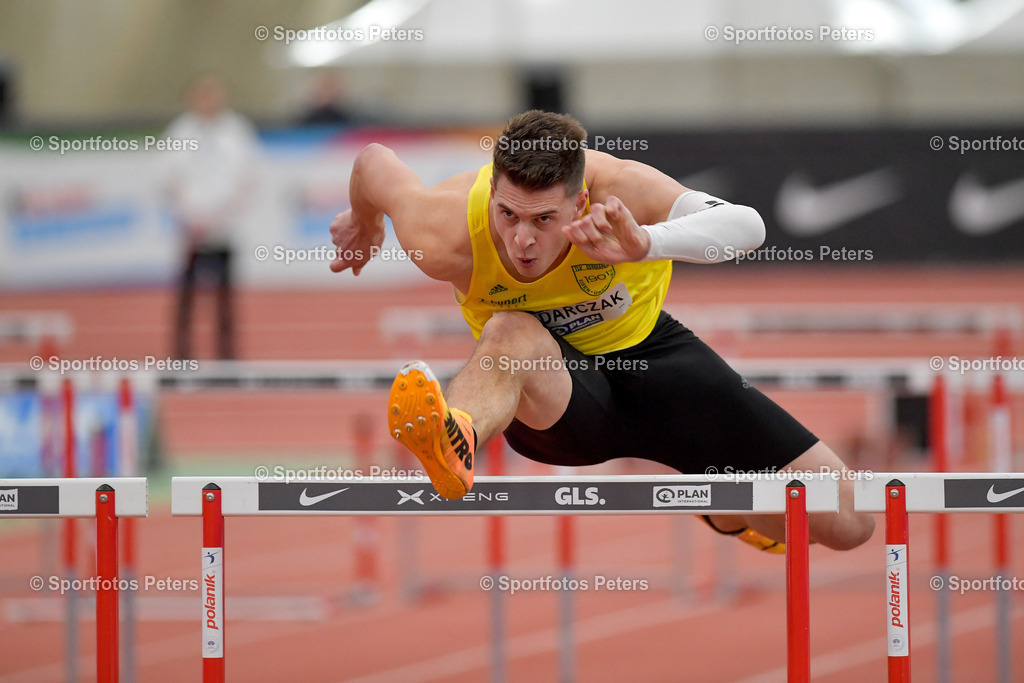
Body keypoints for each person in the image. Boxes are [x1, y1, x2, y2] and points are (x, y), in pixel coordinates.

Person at [328, 111, 874, 552]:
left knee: (849, 521)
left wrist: (647, 243)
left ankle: (724, 510)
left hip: (658, 365)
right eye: (509, 215)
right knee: (509, 329)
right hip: (560, 401)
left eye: (544, 220)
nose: (522, 240)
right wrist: (365, 220)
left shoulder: (622, 191)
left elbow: (747, 226)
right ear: (491, 191)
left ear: (581, 201)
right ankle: (456, 435)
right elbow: (373, 163)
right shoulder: (443, 231)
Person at [165, 74, 258, 360]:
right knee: (187, 296)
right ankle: (181, 356)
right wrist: (190, 216)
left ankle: (226, 357)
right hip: (191, 229)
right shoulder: (180, 132)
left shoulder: (236, 131)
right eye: (202, 94)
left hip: (225, 227)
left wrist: (222, 215)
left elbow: (248, 177)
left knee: (224, 297)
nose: (208, 100)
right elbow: (170, 179)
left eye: (212, 94)